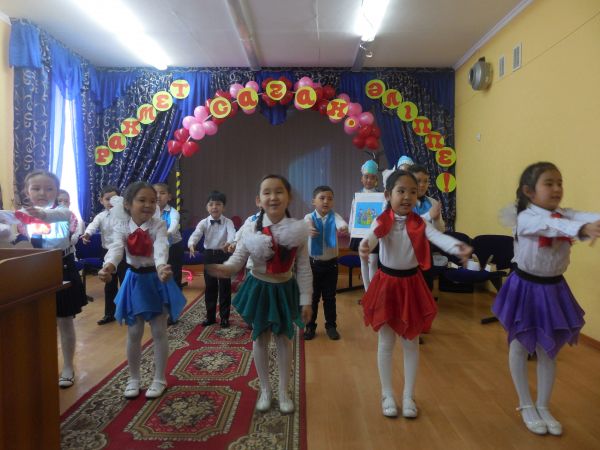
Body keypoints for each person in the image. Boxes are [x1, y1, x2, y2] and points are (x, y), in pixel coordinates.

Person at [491, 162, 600, 436]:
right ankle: (526, 404)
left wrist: (590, 223)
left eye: (559, 183)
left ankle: (543, 405)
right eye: (549, 183)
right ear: (529, 191)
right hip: (525, 288)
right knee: (519, 346)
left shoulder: (565, 214)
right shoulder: (526, 218)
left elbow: (584, 217)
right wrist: (582, 229)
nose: (557, 188)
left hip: (553, 289)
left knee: (548, 350)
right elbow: (553, 226)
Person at [359, 169, 471, 418]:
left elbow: (439, 238)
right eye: (401, 191)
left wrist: (458, 247)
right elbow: (369, 241)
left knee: (411, 342)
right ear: (388, 195)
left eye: (412, 191)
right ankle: (387, 393)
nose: (407, 197)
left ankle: (408, 395)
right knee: (386, 342)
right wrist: (365, 248)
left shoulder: (420, 223)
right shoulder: (382, 221)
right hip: (387, 286)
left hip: (411, 286)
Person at [206, 175, 312, 414]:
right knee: (260, 338)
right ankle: (266, 389)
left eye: (279, 191)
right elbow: (238, 258)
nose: (273, 197)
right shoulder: (250, 229)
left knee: (284, 339)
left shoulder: (298, 231)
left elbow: (304, 268)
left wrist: (306, 300)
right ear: (258, 200)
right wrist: (226, 269)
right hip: (260, 287)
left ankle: (283, 391)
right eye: (267, 192)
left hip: (284, 288)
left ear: (289, 197)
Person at [98, 181, 186, 399]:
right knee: (134, 332)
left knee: (159, 330)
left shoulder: (158, 225)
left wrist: (161, 267)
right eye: (142, 200)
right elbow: (116, 249)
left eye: (152, 201)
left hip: (156, 279)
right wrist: (108, 266)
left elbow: (161, 246)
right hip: (134, 280)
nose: (148, 205)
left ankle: (159, 379)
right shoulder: (121, 226)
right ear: (128, 204)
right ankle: (134, 378)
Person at [17, 170, 87, 388]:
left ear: (57, 192)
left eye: (49, 189)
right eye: (36, 188)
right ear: (27, 191)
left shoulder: (63, 212)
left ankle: (68, 366)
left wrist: (38, 214)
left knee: (64, 320)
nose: (42, 193)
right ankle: (41, 365)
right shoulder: (21, 214)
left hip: (61, 267)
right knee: (37, 322)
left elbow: (49, 216)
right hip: (34, 269)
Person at [303, 185, 348, 340]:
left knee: (330, 298)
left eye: (329, 198)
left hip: (331, 265)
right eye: (322, 198)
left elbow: (342, 224)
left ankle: (331, 326)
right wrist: (309, 228)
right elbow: (307, 223)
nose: (326, 201)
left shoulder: (335, 216)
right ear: (313, 201)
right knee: (313, 298)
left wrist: (344, 228)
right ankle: (310, 326)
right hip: (313, 265)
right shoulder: (309, 217)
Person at [188, 191, 236, 328]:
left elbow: (232, 234)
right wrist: (191, 244)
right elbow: (196, 234)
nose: (214, 207)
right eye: (211, 204)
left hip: (223, 254)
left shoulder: (228, 222)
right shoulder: (203, 222)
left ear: (223, 207)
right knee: (210, 286)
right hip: (209, 255)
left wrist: (229, 242)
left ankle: (225, 318)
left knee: (225, 287)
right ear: (207, 207)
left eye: (218, 204)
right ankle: (210, 317)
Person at [82, 185, 127, 325]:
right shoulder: (100, 216)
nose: (110, 202)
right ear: (101, 200)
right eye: (107, 199)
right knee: (109, 284)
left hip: (124, 252)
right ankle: (109, 314)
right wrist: (87, 234)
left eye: (114, 199)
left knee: (125, 282)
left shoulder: (125, 214)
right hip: (107, 252)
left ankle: (127, 312)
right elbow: (92, 225)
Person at [408, 164, 445, 292]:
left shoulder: (433, 202)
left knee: (426, 287)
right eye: (418, 181)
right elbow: (407, 225)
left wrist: (436, 219)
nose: (423, 185)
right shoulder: (403, 202)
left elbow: (440, 231)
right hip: (407, 251)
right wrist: (429, 215)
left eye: (426, 181)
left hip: (426, 251)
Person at [350, 159, 381, 289]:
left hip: (373, 234)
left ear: (376, 180)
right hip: (360, 233)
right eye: (366, 177)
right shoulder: (357, 196)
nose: (369, 180)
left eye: (372, 177)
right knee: (363, 261)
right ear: (362, 179)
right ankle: (367, 291)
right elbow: (353, 214)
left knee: (373, 261)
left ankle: (373, 290)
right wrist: (351, 230)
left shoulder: (380, 196)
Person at [153, 183, 183, 289]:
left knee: (174, 274)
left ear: (169, 197)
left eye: (162, 193)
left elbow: (174, 225)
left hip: (173, 247)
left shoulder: (173, 212)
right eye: (155, 193)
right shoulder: (150, 212)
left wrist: (167, 233)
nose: (158, 196)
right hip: (156, 246)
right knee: (158, 274)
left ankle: (176, 295)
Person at [57, 189, 85, 253]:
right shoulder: (50, 218)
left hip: (69, 253)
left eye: (66, 201)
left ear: (69, 204)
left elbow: (75, 240)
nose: (63, 204)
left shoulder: (73, 219)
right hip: (54, 254)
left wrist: (68, 236)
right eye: (59, 201)